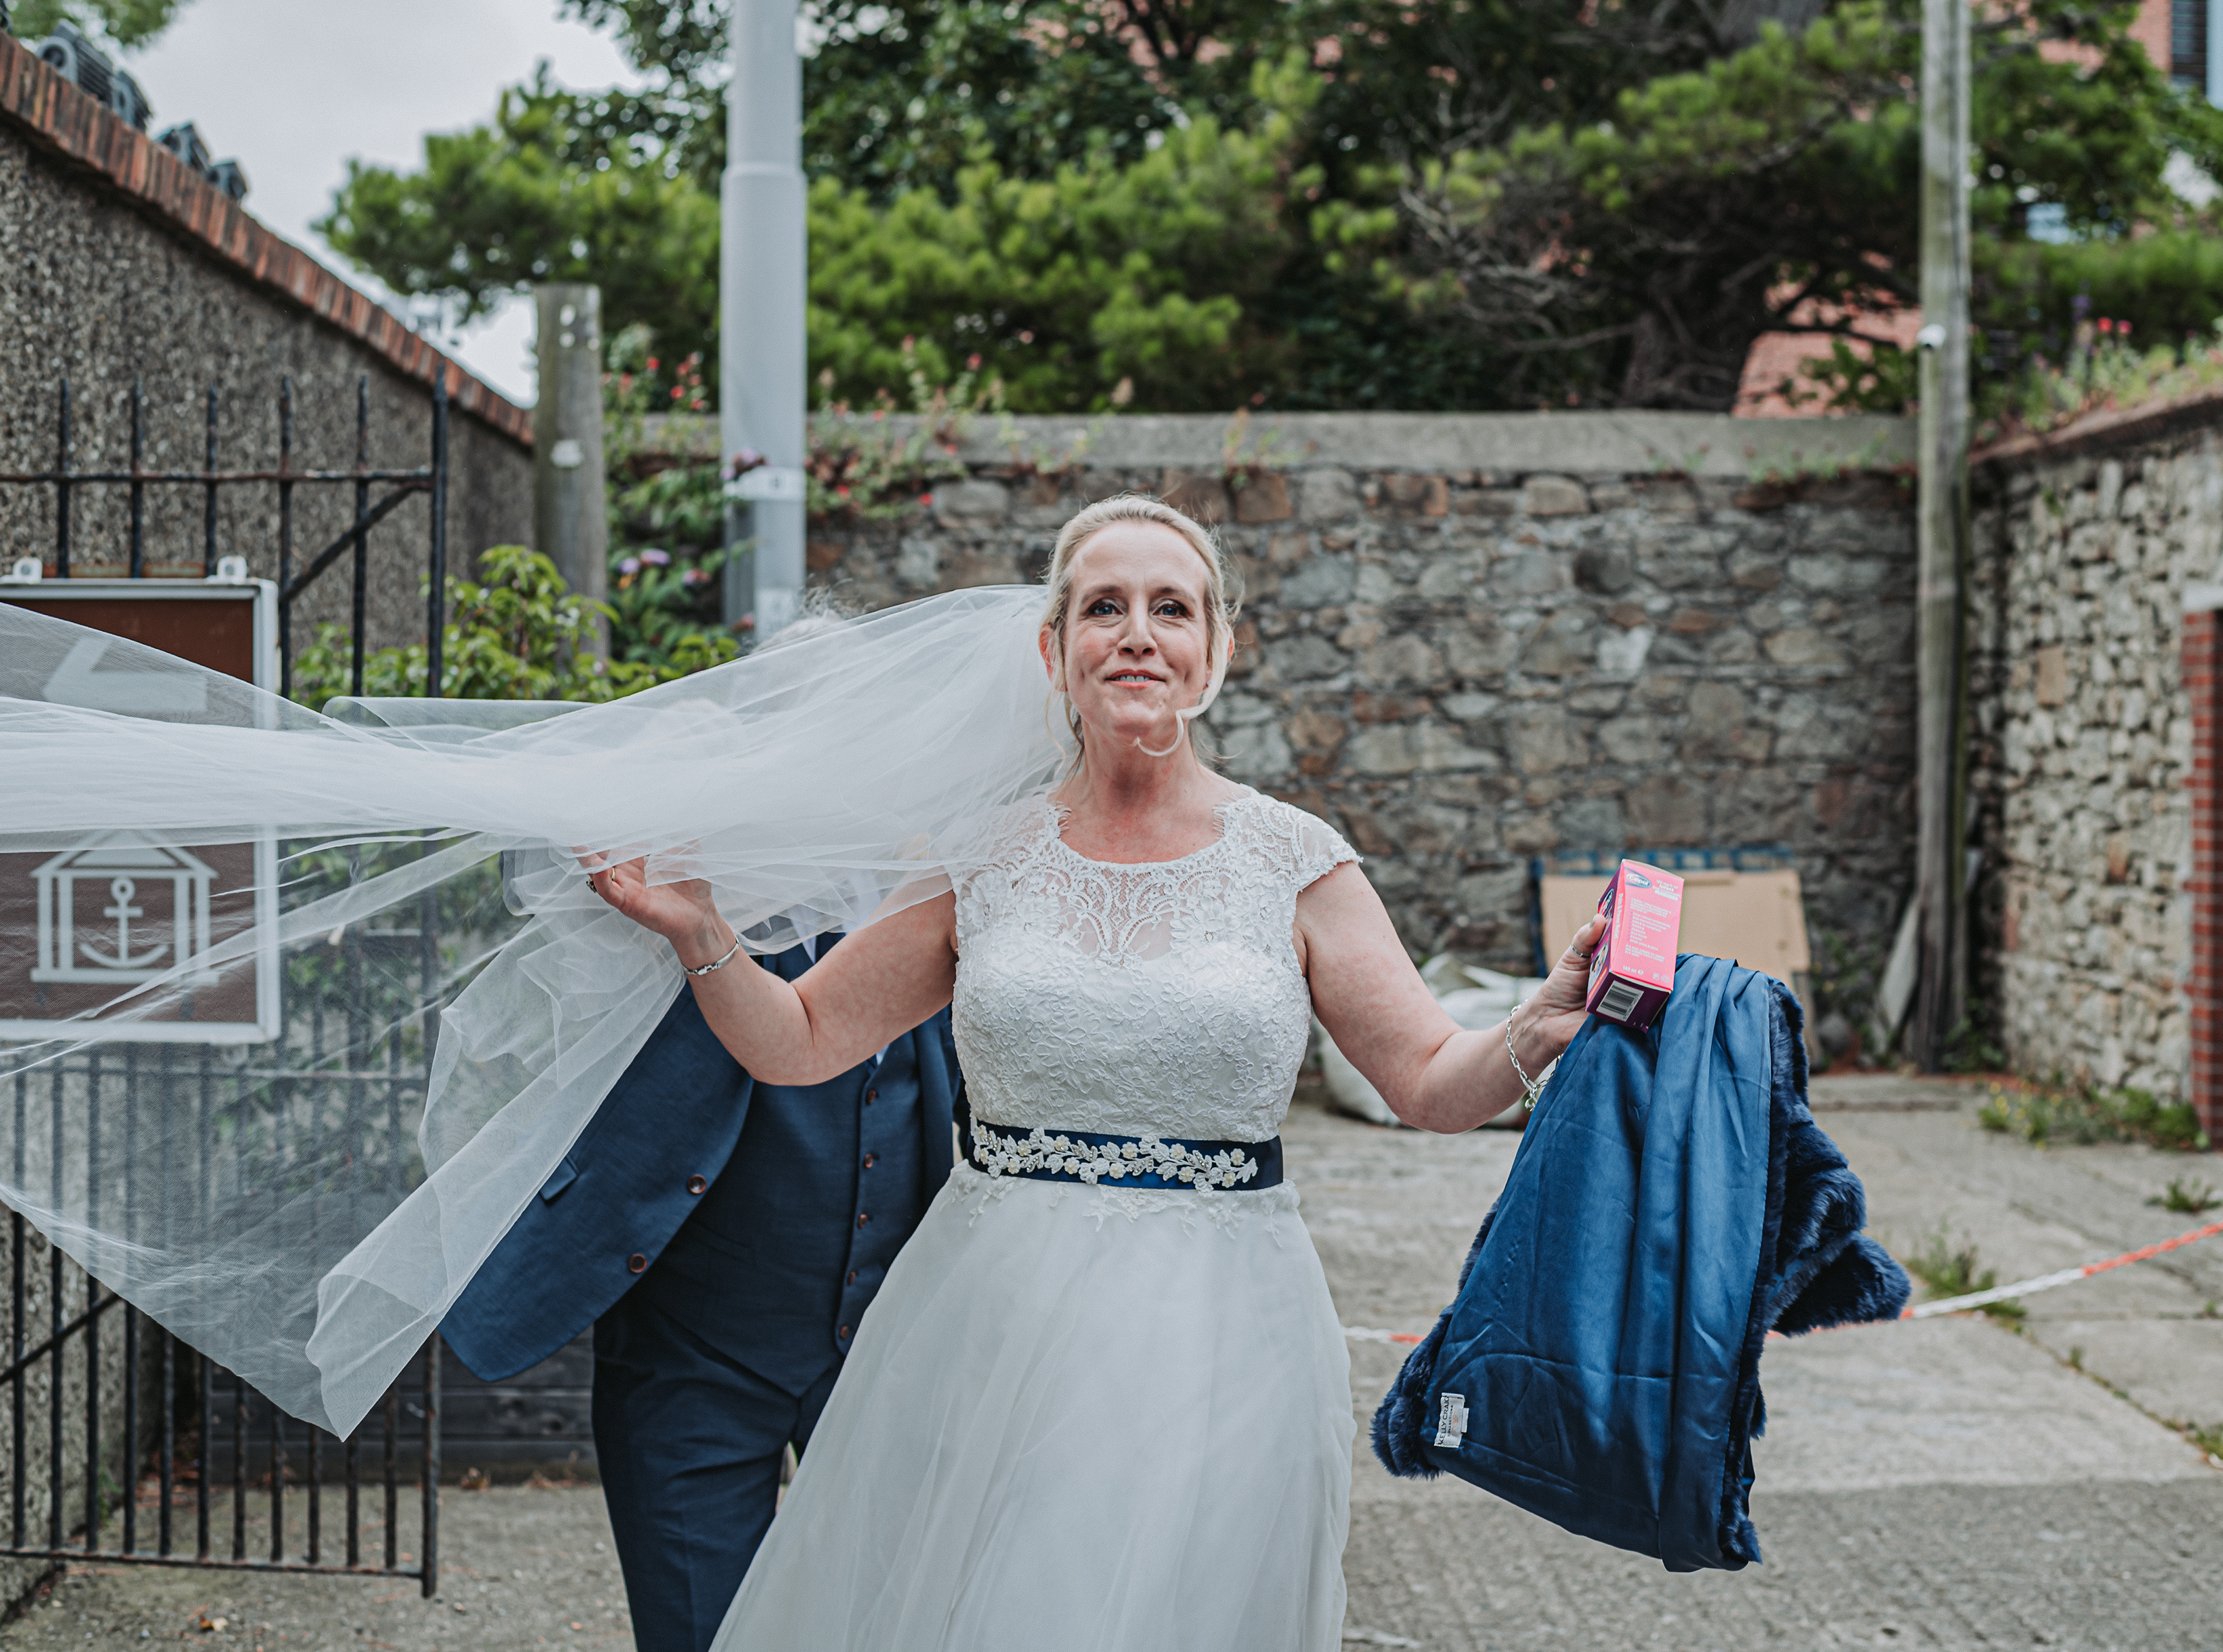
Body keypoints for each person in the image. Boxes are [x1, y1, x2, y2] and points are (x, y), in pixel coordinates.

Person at [583, 494, 1607, 1650]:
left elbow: (1425, 1080)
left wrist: (1537, 1025)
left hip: (1226, 1335)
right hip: (994, 1322)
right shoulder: (980, 855)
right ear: (1054, 650)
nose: (1137, 635)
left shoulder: (1297, 862)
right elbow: (800, 1039)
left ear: (1219, 648)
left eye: (1172, 608)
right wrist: (699, 930)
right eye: (1104, 608)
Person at [438, 940, 963, 1652]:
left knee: (888, 1630)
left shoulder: (949, 897)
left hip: (889, 1364)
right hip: (690, 1360)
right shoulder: (675, 883)